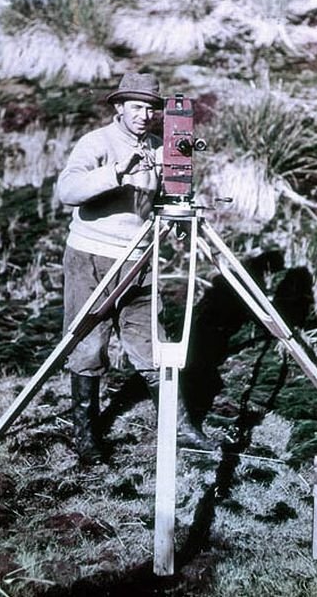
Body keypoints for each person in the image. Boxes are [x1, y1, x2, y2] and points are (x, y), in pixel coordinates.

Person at [57, 72, 213, 461]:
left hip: (139, 260)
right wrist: (116, 172)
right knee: (88, 344)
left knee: (152, 344)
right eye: (137, 106)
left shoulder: (161, 147)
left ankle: (181, 428)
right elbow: (67, 191)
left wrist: (179, 207)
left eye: (151, 108)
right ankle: (87, 436)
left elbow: (167, 198)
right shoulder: (96, 143)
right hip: (91, 257)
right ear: (119, 107)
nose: (145, 115)